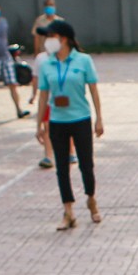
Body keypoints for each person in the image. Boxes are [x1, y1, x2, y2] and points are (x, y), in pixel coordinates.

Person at [34, 19, 103, 230]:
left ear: (63, 39)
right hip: (57, 121)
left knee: (85, 165)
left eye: (51, 36)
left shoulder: (83, 60)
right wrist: (39, 124)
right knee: (61, 168)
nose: (47, 41)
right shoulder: (46, 63)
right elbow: (43, 95)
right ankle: (68, 211)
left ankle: (91, 199)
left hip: (80, 118)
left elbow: (93, 90)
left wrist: (99, 118)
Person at [31, 0, 62, 165]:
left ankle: (70, 151)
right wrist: (33, 95)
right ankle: (48, 155)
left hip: (64, 99)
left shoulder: (69, 59)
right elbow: (37, 80)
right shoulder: (41, 59)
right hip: (49, 100)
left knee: (66, 128)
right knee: (48, 127)